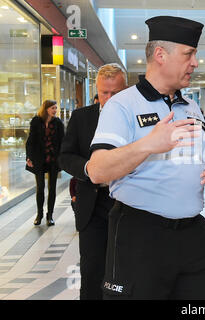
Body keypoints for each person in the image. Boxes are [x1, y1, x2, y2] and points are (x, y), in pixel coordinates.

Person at [86, 16, 205, 300]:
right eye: (189, 54)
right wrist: (147, 145)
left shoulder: (191, 106)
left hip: (193, 234)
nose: (195, 62)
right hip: (140, 236)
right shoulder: (122, 104)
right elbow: (97, 170)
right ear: (160, 55)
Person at [58, 63, 127, 300]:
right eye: (104, 92)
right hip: (93, 204)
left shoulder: (136, 118)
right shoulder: (81, 118)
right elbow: (65, 156)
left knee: (128, 270)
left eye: (115, 93)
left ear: (125, 90)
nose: (108, 98)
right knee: (92, 270)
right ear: (96, 90)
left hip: (129, 204)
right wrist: (88, 169)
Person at [26, 100, 65, 226]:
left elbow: (62, 141)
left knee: (52, 188)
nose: (55, 110)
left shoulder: (58, 123)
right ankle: (39, 214)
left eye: (56, 108)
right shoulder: (36, 121)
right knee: (40, 188)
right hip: (39, 159)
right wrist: (29, 157)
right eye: (53, 108)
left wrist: (62, 157)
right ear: (46, 109)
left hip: (53, 159)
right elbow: (30, 140)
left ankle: (50, 215)